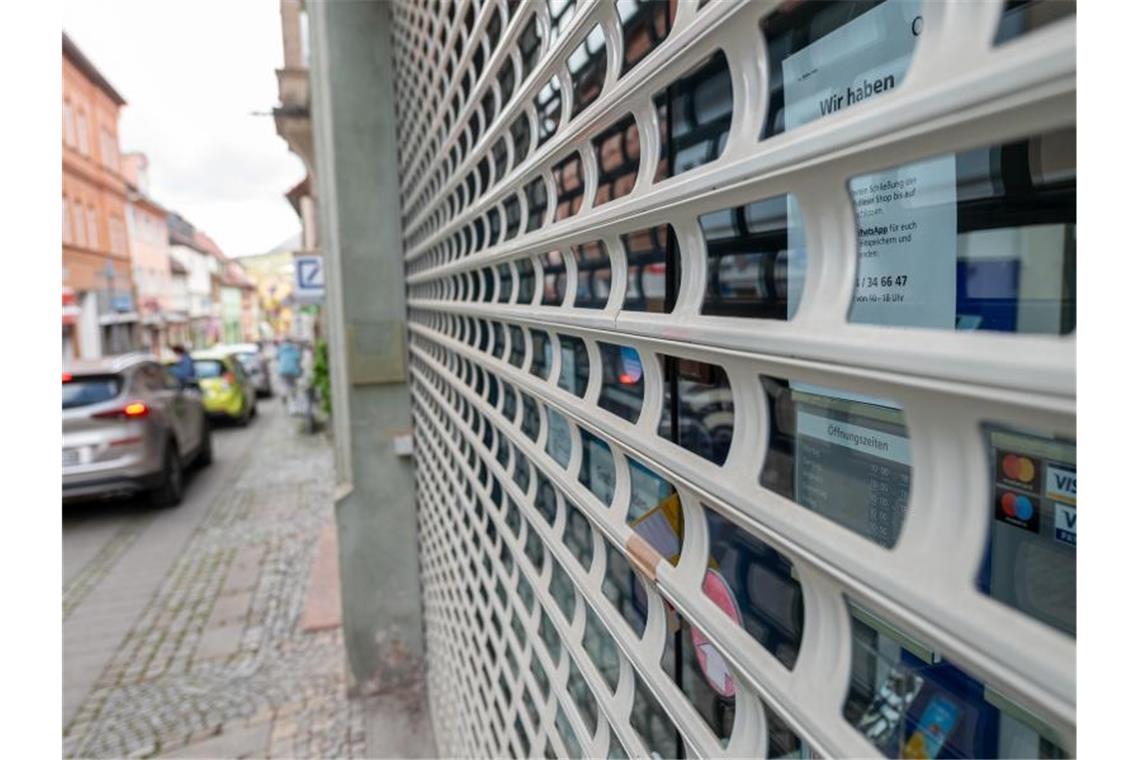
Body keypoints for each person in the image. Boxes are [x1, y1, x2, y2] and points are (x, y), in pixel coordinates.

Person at [276, 339, 302, 404]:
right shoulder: (294, 349)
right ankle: (294, 395)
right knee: (293, 384)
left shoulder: (281, 349)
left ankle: (284, 395)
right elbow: (298, 359)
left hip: (283, 369)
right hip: (292, 369)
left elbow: (277, 357)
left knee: (284, 384)